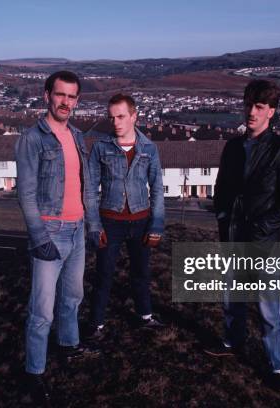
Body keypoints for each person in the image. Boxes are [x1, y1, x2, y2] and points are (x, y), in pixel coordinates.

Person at [207, 79, 280, 395]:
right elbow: (221, 187)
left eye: (259, 107)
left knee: (268, 308)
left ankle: (276, 366)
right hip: (233, 236)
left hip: (263, 242)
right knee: (231, 298)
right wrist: (222, 214)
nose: (251, 112)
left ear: (271, 112)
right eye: (248, 105)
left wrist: (262, 226)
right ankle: (231, 341)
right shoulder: (233, 146)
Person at [15, 70, 99, 405]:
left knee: (73, 296)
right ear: (47, 94)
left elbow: (87, 186)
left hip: (77, 229)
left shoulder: (78, 136)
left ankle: (69, 345)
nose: (65, 102)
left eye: (72, 96)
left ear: (77, 100)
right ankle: (33, 372)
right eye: (60, 95)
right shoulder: (31, 138)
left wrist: (92, 226)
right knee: (41, 311)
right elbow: (25, 193)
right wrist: (39, 237)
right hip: (49, 231)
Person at [86, 93, 166, 341]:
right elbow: (89, 189)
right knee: (104, 274)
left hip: (141, 222)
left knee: (141, 273)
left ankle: (145, 316)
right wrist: (93, 225)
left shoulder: (149, 148)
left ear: (134, 116)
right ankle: (96, 324)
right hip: (109, 222)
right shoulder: (100, 148)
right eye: (111, 118)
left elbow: (157, 188)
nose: (116, 123)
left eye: (121, 116)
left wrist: (156, 224)